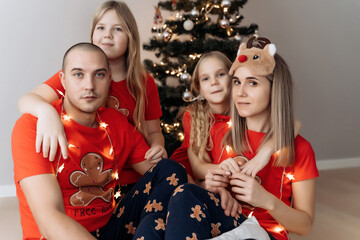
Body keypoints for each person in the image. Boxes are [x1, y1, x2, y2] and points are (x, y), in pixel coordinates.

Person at [135, 38, 318, 240]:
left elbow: (305, 225)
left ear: (275, 89)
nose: (240, 92)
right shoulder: (219, 133)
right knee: (157, 220)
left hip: (264, 233)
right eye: (237, 82)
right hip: (225, 222)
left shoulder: (300, 149)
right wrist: (212, 185)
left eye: (253, 83)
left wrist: (266, 200)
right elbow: (200, 174)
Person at [12, 43, 187, 240]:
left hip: (110, 230)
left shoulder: (115, 122)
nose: (89, 85)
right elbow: (49, 219)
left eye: (99, 74)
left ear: (109, 79)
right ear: (63, 80)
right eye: (78, 74)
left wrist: (208, 182)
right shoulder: (33, 126)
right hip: (59, 236)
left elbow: (160, 174)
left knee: (170, 170)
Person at [17, 1, 166, 193]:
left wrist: (157, 147)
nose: (107, 35)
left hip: (135, 175)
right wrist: (47, 113)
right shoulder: (77, 76)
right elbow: (27, 100)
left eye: (117, 29)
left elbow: (154, 131)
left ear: (130, 36)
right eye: (101, 27)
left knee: (169, 181)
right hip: (93, 176)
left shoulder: (143, 82)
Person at [171, 51, 282, 185]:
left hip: (219, 179)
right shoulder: (193, 116)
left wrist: (265, 152)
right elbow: (197, 169)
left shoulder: (244, 108)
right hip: (186, 177)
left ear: (233, 79)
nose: (214, 82)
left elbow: (292, 124)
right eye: (205, 78)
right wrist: (230, 168)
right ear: (199, 88)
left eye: (221, 74)